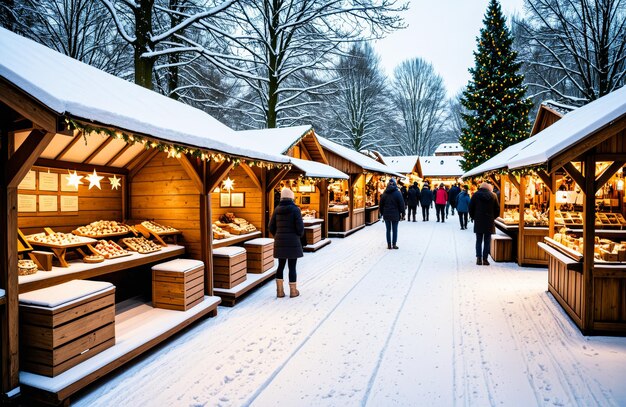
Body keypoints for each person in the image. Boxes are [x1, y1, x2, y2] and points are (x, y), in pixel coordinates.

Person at [269, 187, 304, 297]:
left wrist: (278, 236)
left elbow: (271, 227)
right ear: (291, 197)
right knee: (292, 267)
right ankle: (293, 291)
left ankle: (279, 291)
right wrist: (298, 235)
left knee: (280, 266)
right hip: (293, 242)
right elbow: (300, 228)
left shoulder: (277, 209)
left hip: (280, 242)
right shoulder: (295, 210)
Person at [469, 182, 500, 266]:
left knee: (478, 240)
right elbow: (497, 209)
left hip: (478, 221)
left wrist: (474, 217)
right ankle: (485, 259)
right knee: (487, 241)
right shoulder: (493, 196)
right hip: (489, 221)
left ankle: (478, 259)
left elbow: (471, 207)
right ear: (488, 188)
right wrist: (492, 217)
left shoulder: (475, 195)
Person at [379, 178, 405, 249]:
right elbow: (401, 204)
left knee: (388, 230)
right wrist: (403, 213)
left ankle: (389, 245)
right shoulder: (398, 193)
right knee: (395, 229)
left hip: (386, 214)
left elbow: (381, 204)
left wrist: (381, 213)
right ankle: (394, 244)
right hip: (395, 214)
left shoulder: (384, 193)